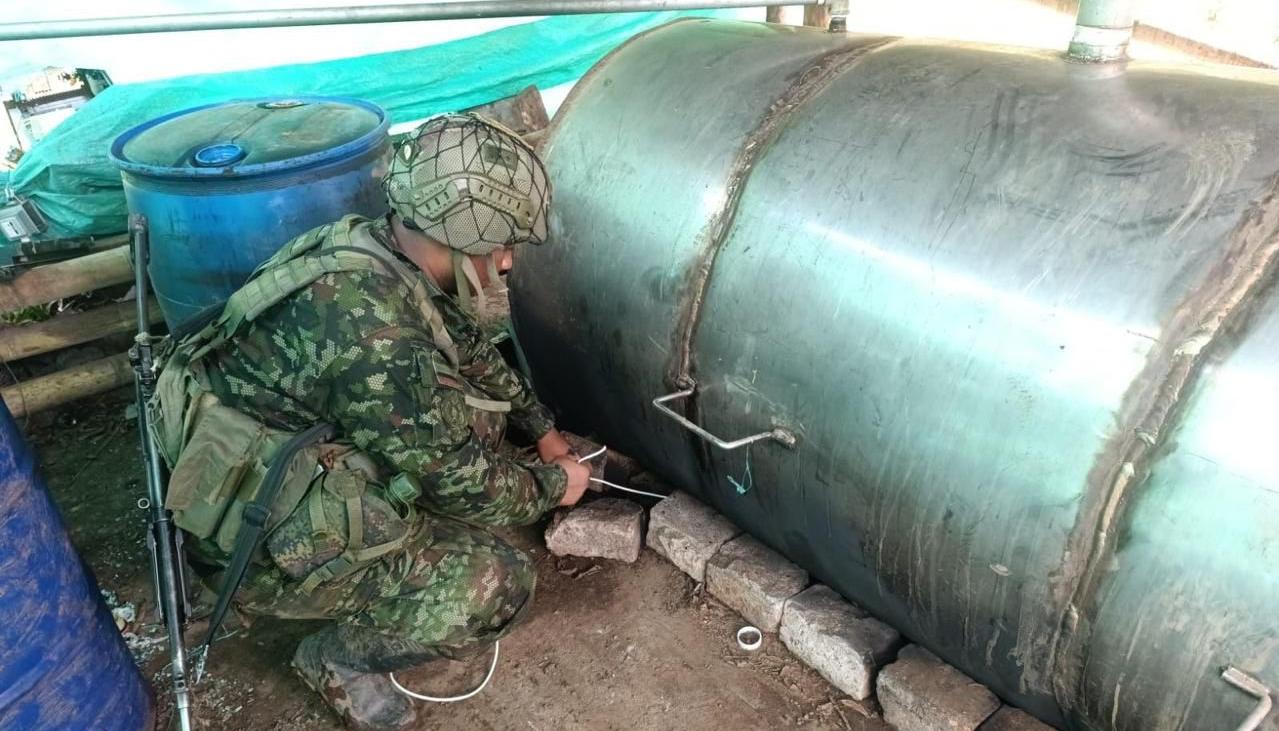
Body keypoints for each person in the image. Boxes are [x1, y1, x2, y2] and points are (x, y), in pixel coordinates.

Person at [149, 114, 592, 731]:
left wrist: (540, 429)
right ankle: (335, 660)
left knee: (472, 418)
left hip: (257, 450)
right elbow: (458, 480)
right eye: (501, 245)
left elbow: (465, 345)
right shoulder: (377, 335)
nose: (508, 261)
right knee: (498, 587)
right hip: (249, 536)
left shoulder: (372, 245)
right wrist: (556, 485)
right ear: (457, 236)